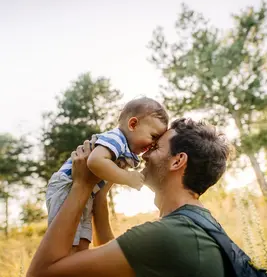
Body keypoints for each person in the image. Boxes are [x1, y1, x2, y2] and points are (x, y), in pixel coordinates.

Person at [27, 118, 231, 277]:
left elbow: (41, 274)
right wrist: (100, 193)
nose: (144, 156)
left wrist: (81, 185)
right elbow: (113, 259)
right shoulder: (198, 224)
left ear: (177, 161)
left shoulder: (167, 235)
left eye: (156, 147)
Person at [45, 97, 169, 252]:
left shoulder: (126, 152)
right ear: (133, 124)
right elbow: (95, 161)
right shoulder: (116, 138)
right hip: (66, 185)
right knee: (66, 240)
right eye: (153, 136)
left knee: (83, 240)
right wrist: (127, 178)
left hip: (87, 192)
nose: (153, 144)